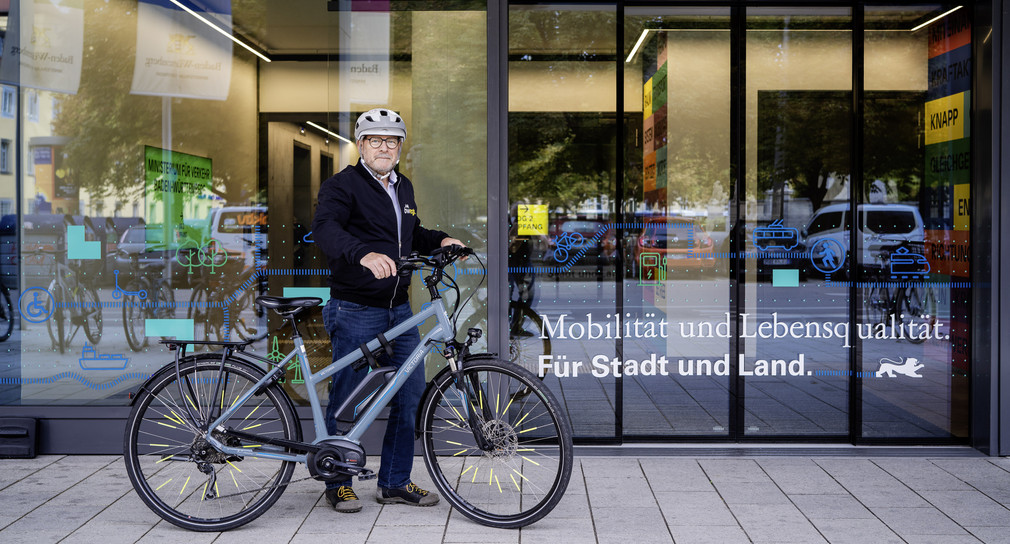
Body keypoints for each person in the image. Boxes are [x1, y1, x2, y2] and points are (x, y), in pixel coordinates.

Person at [311, 108, 465, 513]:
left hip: (400, 310)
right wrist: (363, 254)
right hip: (356, 307)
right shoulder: (342, 186)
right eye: (375, 140)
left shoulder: (403, 187)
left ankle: (394, 482)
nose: (384, 147)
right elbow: (326, 229)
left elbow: (410, 234)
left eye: (391, 141)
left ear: (399, 148)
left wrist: (441, 240)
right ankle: (337, 480)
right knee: (347, 396)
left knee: (409, 394)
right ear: (361, 145)